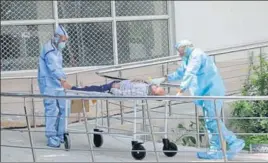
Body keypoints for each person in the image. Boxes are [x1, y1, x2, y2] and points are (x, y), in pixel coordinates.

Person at [150, 40, 245, 160]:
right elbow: (182, 72)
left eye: (180, 52)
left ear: (186, 48)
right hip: (206, 93)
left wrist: (181, 90)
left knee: (212, 121)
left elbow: (190, 72)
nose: (179, 55)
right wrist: (164, 78)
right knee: (210, 122)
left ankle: (233, 141)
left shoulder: (197, 55)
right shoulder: (188, 58)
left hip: (212, 92)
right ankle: (215, 150)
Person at [37, 24, 69, 148]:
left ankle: (60, 134)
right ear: (57, 38)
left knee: (63, 107)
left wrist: (63, 79)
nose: (64, 43)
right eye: (63, 40)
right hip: (48, 83)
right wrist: (62, 79)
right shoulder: (49, 49)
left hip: (58, 83)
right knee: (51, 109)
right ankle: (51, 136)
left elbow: (59, 68)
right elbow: (53, 68)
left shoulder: (57, 50)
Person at [62, 79, 166, 96]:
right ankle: (80, 88)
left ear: (153, 93)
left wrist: (113, 89)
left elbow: (126, 94)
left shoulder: (143, 92)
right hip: (117, 83)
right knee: (94, 88)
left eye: (156, 89)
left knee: (94, 90)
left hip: (113, 88)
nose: (155, 86)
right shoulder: (146, 85)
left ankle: (72, 88)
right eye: (157, 86)